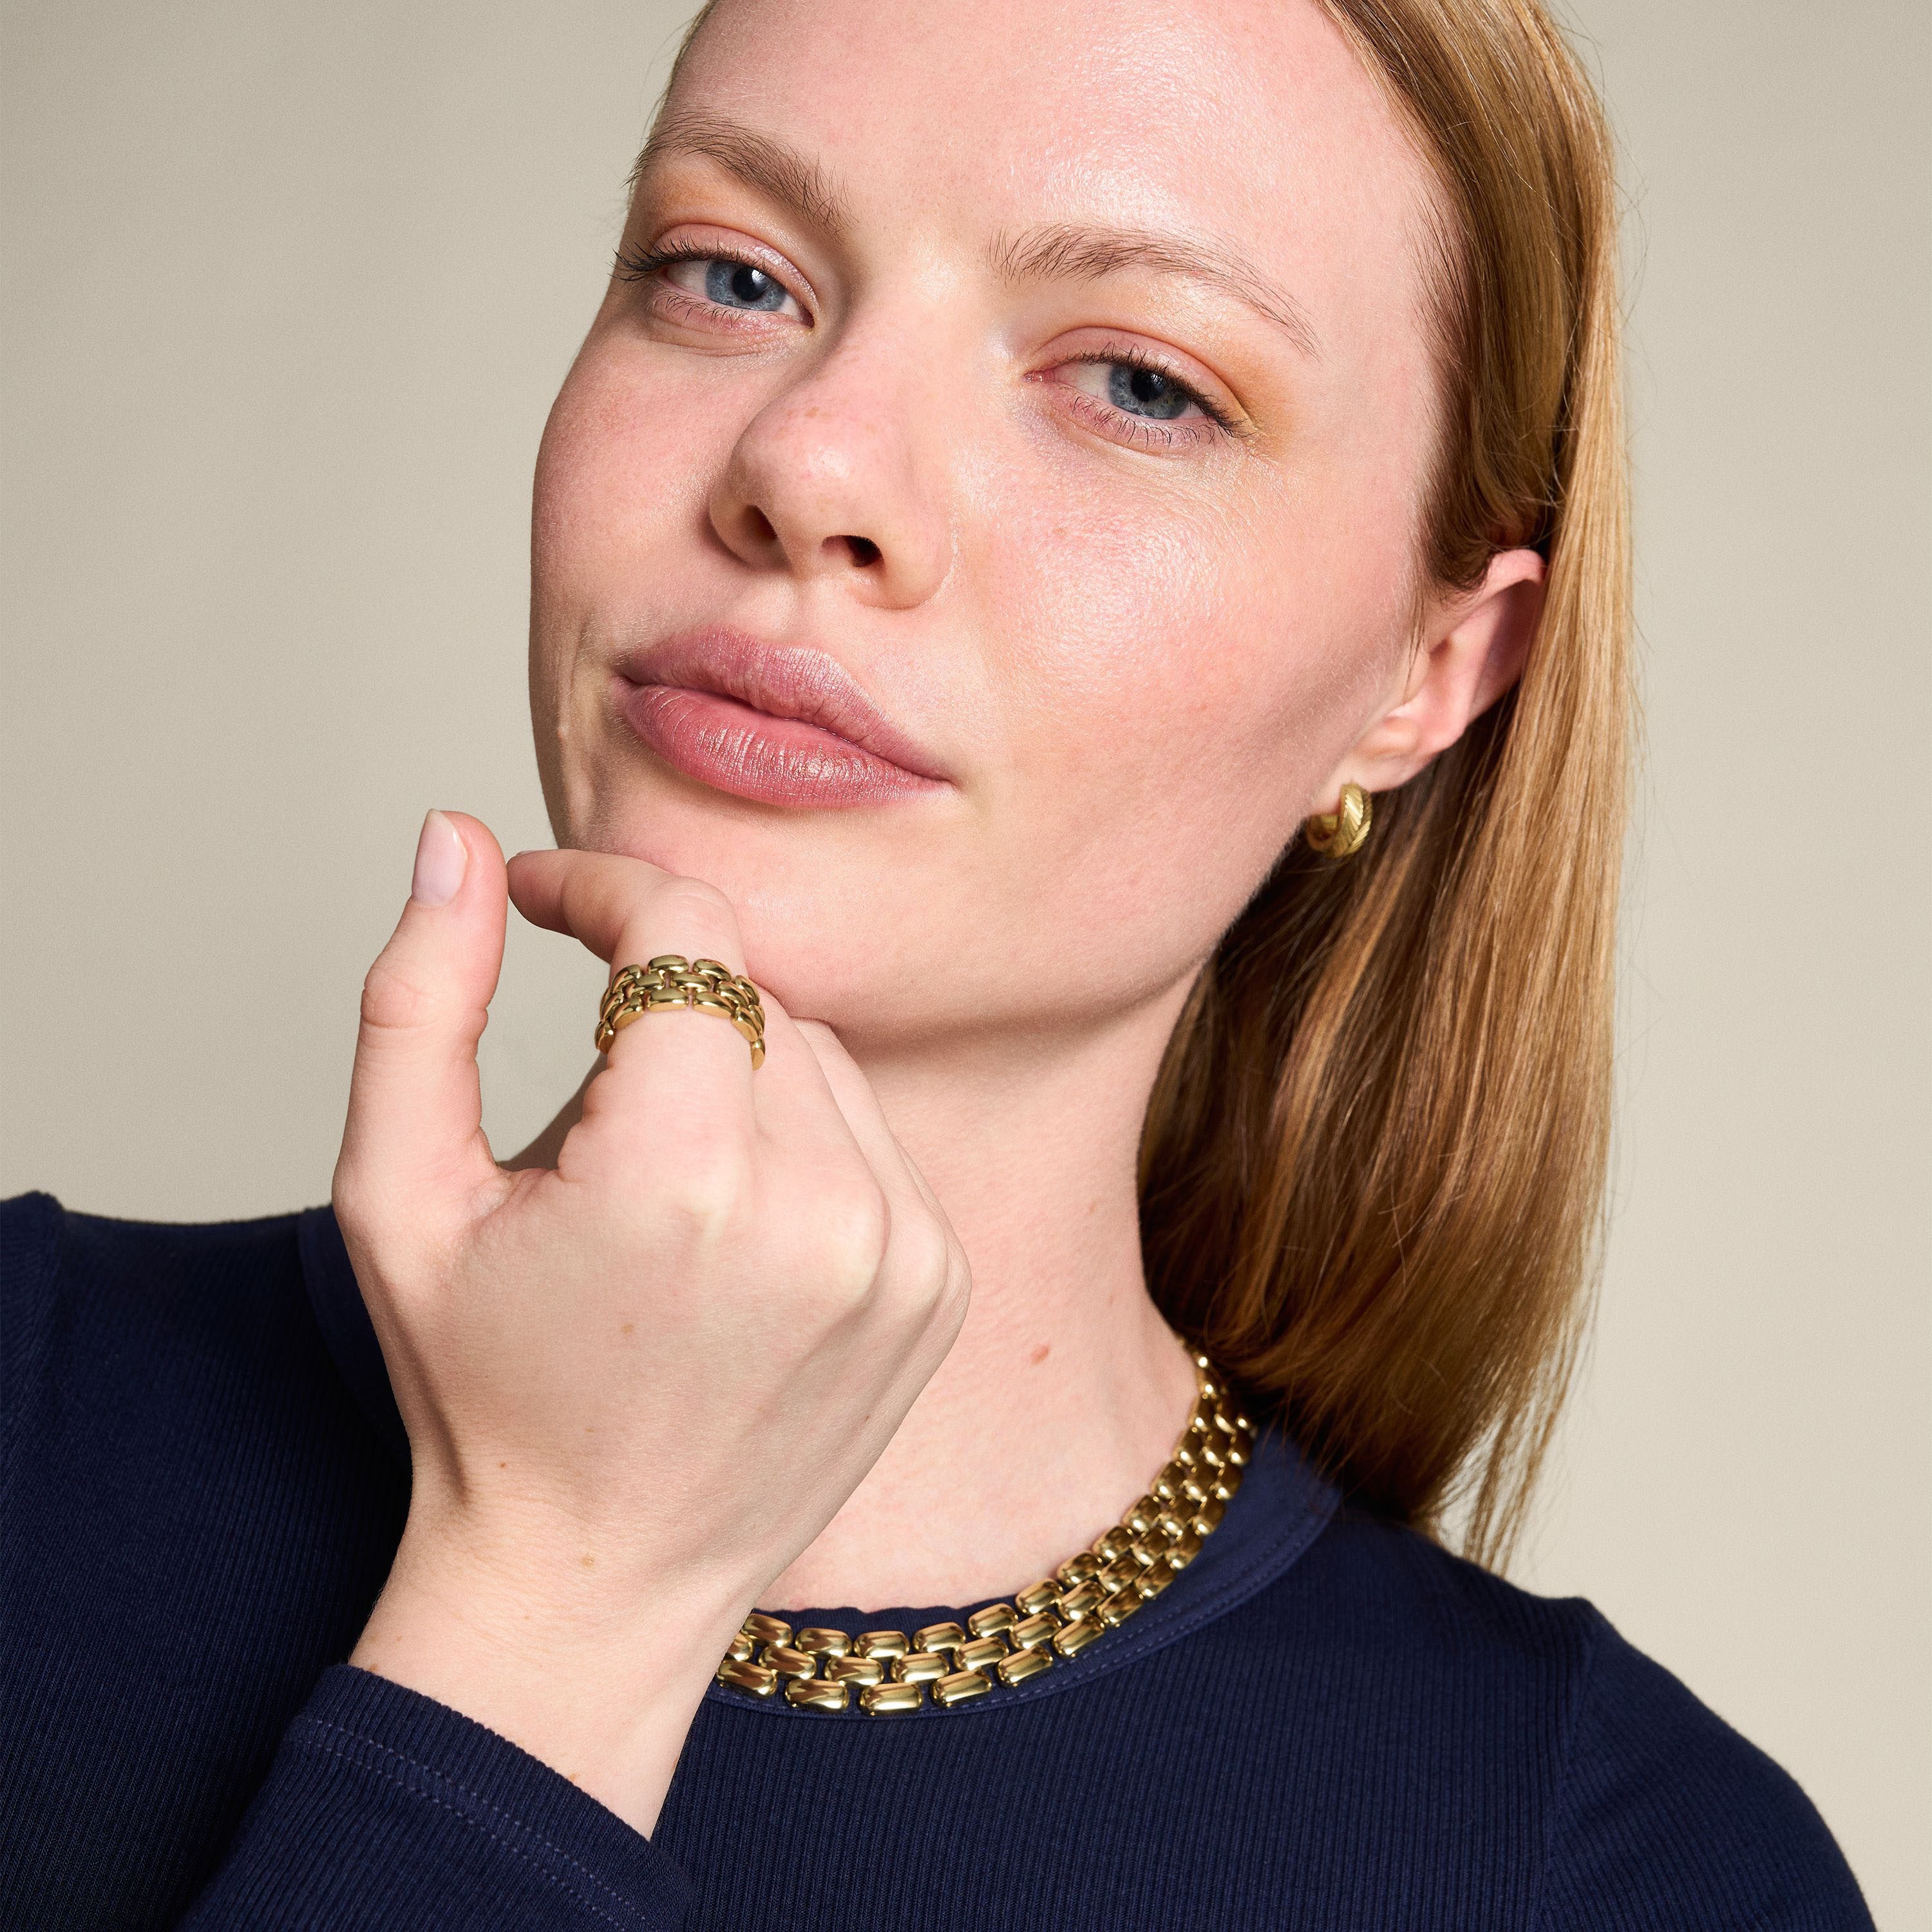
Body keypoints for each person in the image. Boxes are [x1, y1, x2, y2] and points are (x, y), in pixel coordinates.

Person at [0, 0, 1873, 1925]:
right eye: (728, 273)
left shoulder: (1626, 1869)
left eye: (1140, 384)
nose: (810, 468)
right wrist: (548, 1619)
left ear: (1428, 677)